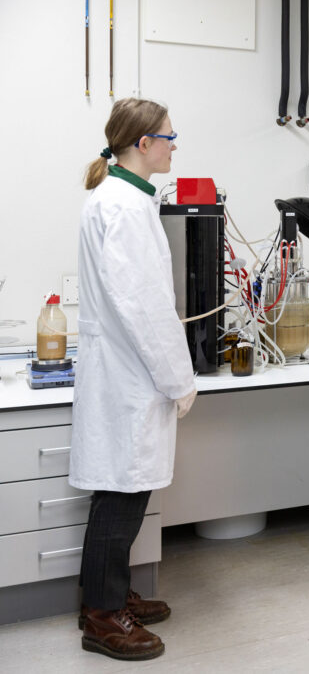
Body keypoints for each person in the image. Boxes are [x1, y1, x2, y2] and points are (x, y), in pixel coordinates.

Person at [71, 98, 197, 660]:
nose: (174, 145)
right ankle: (102, 617)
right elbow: (144, 308)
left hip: (123, 370)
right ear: (143, 144)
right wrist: (179, 380)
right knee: (121, 494)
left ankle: (110, 593)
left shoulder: (125, 199)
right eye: (170, 137)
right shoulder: (122, 206)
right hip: (130, 373)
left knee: (124, 489)